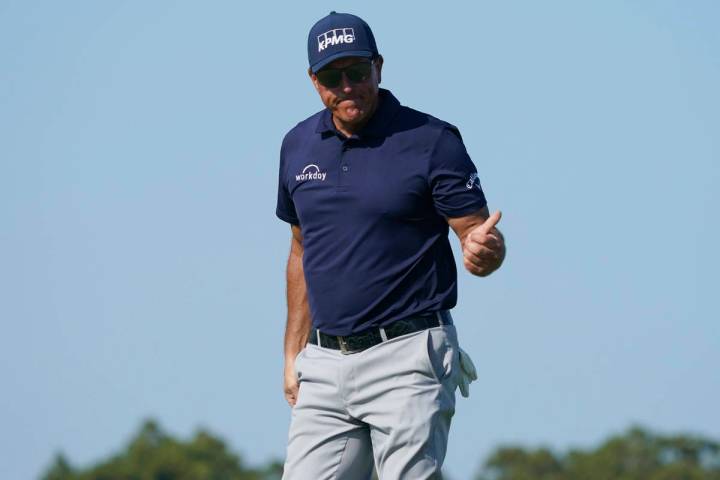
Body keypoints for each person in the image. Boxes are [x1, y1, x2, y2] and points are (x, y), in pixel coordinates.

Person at [275, 11, 506, 479]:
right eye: (331, 76)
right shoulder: (297, 146)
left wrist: (486, 252)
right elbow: (301, 250)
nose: (346, 86)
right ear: (313, 79)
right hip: (323, 363)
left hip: (407, 357)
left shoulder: (431, 140)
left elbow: (475, 237)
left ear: (378, 67)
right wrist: (291, 353)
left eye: (357, 72)